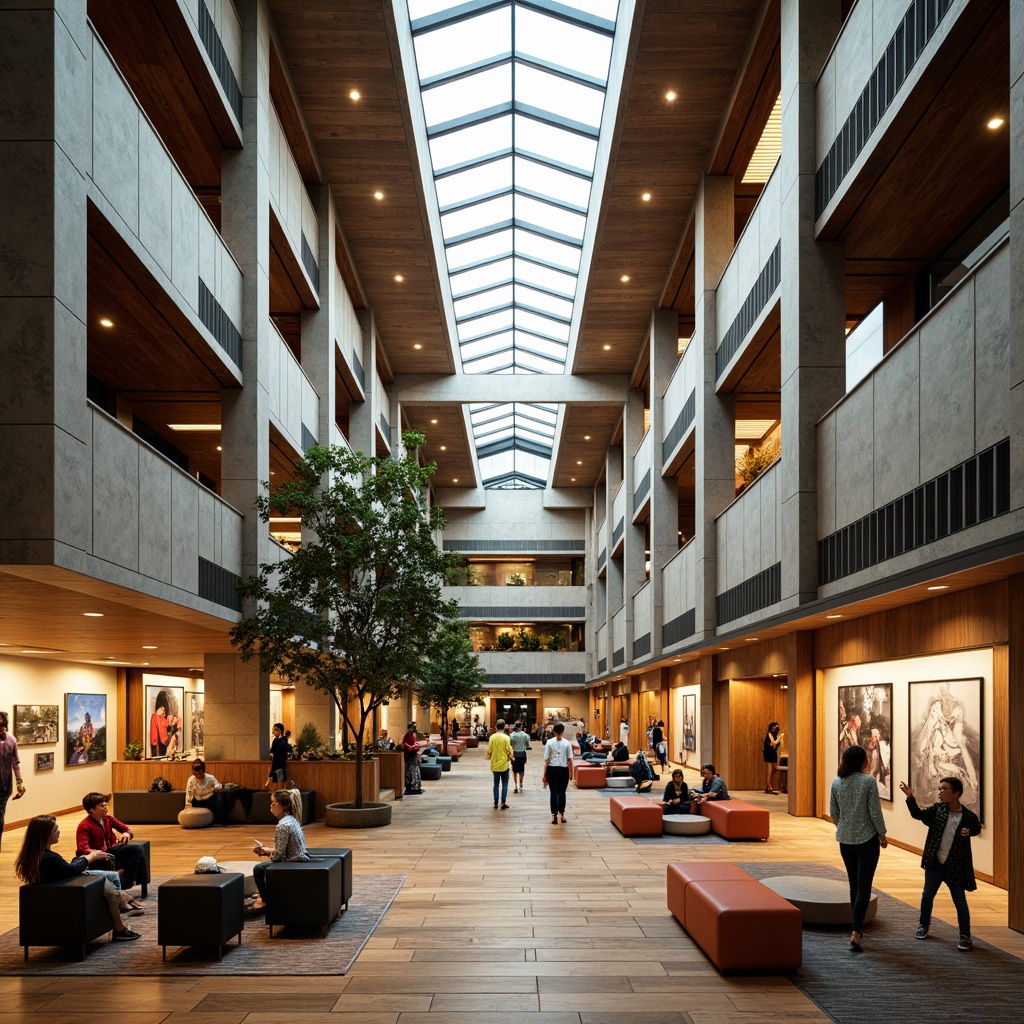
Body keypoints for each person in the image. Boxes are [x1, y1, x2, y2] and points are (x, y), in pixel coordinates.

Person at [15, 815, 141, 941]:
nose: (59, 832)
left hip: (65, 882)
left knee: (112, 877)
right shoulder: (49, 858)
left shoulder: (36, 855)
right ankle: (119, 925)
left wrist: (84, 859)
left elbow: (65, 869)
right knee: (111, 890)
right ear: (45, 835)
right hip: (69, 887)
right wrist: (90, 857)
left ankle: (119, 908)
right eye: (55, 830)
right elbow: (72, 870)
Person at [899, 776, 981, 951]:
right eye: (940, 789)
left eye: (944, 789)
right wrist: (910, 798)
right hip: (935, 864)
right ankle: (923, 925)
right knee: (927, 895)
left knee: (959, 900)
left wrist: (970, 831)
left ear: (956, 794)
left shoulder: (967, 816)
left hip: (955, 867)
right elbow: (918, 815)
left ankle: (965, 935)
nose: (940, 792)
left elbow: (977, 828)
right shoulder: (938, 810)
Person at [830, 744, 888, 953]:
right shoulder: (868, 782)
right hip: (867, 841)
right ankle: (856, 931)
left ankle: (857, 929)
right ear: (862, 761)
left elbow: (834, 812)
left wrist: (844, 827)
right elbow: (875, 811)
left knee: (854, 885)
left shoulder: (837, 782)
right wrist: (881, 833)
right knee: (864, 887)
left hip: (845, 841)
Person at [75, 792, 147, 898]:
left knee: (137, 850)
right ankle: (129, 883)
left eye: (106, 805)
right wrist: (97, 853)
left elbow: (125, 828)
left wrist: (126, 834)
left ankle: (129, 882)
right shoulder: (84, 826)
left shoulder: (108, 819)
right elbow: (83, 848)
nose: (106, 808)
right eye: (102, 806)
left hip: (111, 850)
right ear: (92, 809)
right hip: (99, 856)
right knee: (137, 850)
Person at [251, 789, 310, 911]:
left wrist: (265, 852)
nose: (271, 808)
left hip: (293, 862)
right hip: (298, 857)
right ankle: (264, 892)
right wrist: (267, 850)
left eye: (274, 804)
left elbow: (278, 856)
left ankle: (265, 899)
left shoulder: (282, 825)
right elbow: (283, 849)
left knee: (258, 870)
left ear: (286, 805)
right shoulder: (292, 819)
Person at [0, 711, 25, 850]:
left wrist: (19, 783)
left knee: (0, 817)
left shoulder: (11, 740)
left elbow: (16, 763)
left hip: (4, 785)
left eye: (3, 725)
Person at [543, 722, 574, 825]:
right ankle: (562, 815)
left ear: (554, 731)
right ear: (563, 731)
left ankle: (554, 816)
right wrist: (571, 773)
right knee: (562, 793)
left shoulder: (549, 742)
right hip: (564, 770)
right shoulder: (567, 743)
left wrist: (544, 774)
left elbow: (546, 759)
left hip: (552, 769)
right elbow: (570, 759)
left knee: (553, 793)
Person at [486, 717, 514, 809]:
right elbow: (509, 750)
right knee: (505, 783)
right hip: (504, 765)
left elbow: (489, 750)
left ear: (496, 727)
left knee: (496, 783)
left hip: (495, 764)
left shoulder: (492, 737)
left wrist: (489, 757)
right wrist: (511, 757)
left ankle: (495, 802)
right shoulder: (506, 738)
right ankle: (503, 802)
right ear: (504, 727)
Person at [185, 758, 224, 823]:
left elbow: (217, 785)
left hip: (209, 800)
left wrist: (217, 788)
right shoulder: (191, 780)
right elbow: (189, 793)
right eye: (196, 774)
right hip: (198, 800)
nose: (199, 776)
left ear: (203, 771)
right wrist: (188, 803)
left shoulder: (210, 778)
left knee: (218, 798)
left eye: (200, 773)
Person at [267, 722, 290, 789]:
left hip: (280, 763)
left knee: (280, 779)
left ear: (280, 731)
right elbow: (272, 751)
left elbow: (283, 749)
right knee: (275, 779)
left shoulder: (283, 740)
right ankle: (275, 792)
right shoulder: (275, 740)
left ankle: (280, 793)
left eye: (274, 730)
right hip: (275, 762)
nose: (273, 732)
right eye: (272, 730)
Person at [401, 723, 422, 795]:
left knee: (414, 771)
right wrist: (415, 747)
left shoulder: (412, 736)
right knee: (411, 771)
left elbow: (415, 745)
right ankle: (411, 786)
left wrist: (416, 747)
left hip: (413, 756)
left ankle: (415, 786)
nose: (414, 729)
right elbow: (407, 746)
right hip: (410, 757)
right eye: (413, 727)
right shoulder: (407, 736)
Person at [510, 720, 530, 794]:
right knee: (522, 770)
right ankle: (521, 784)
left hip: (515, 754)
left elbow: (511, 744)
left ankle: (515, 785)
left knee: (514, 771)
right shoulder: (525, 735)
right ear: (521, 727)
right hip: (522, 754)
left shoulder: (512, 735)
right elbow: (527, 745)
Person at [763, 721, 783, 794]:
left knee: (774, 770)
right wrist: (779, 739)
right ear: (772, 727)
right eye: (775, 726)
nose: (776, 728)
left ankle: (767, 787)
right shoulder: (769, 734)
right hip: (768, 753)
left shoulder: (777, 735)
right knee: (770, 771)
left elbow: (776, 745)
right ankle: (770, 788)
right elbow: (773, 743)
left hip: (773, 753)